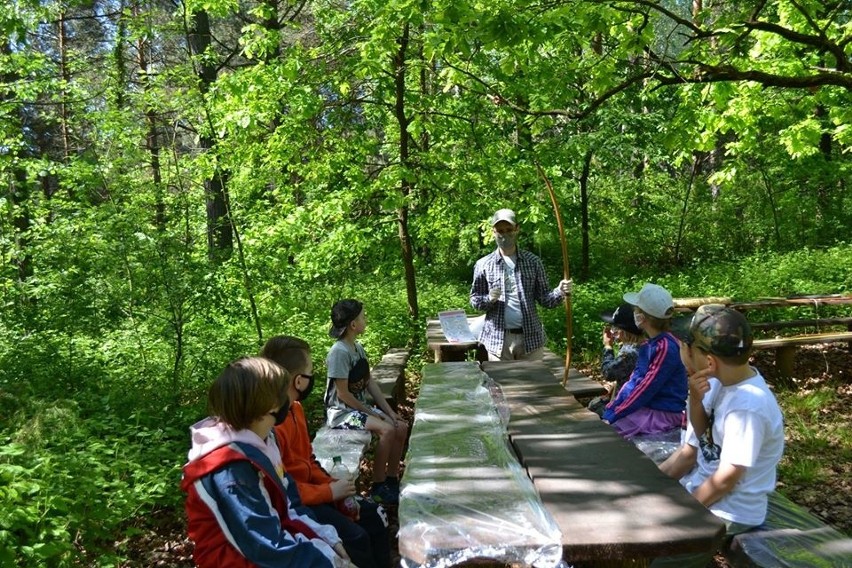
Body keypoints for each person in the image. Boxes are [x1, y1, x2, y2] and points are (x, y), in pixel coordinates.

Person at [181, 357, 353, 568]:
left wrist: (328, 539)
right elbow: (265, 547)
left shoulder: (264, 441)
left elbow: (290, 505)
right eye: (282, 394)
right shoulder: (230, 471)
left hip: (271, 545)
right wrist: (326, 561)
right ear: (264, 406)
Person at [653, 305, 785, 568]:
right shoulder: (716, 383)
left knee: (660, 559)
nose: (680, 349)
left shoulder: (748, 406)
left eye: (684, 345)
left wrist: (684, 512)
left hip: (730, 510)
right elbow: (705, 440)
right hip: (708, 498)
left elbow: (726, 479)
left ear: (709, 360)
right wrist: (695, 399)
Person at [262, 335, 391, 568]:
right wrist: (329, 493)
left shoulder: (296, 409)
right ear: (298, 381)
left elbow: (309, 460)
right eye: (311, 370)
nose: (314, 375)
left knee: (374, 514)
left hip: (316, 491)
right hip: (300, 505)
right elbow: (283, 491)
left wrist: (334, 487)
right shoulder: (272, 427)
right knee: (356, 537)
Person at [325, 299, 408, 505]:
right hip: (341, 413)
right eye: (363, 316)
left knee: (400, 426)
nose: (366, 319)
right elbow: (343, 395)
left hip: (358, 409)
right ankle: (378, 487)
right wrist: (373, 414)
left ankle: (391, 479)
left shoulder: (357, 348)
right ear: (353, 324)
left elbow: (369, 383)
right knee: (387, 430)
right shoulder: (339, 352)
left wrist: (389, 411)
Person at [469, 208, 572, 361]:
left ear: (517, 229)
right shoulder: (484, 264)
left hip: (531, 340)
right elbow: (475, 300)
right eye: (500, 230)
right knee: (501, 384)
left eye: (509, 229)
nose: (504, 234)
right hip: (498, 340)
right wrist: (489, 299)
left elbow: (545, 299)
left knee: (533, 384)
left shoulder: (533, 262)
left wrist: (560, 291)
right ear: (493, 232)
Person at [602, 283, 687, 438]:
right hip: (648, 408)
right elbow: (633, 382)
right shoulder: (648, 345)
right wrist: (612, 408)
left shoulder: (665, 347)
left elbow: (646, 387)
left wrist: (616, 414)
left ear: (643, 317)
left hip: (663, 412)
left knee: (612, 434)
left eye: (636, 310)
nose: (634, 313)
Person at [587, 302, 644, 417]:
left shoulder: (630, 352)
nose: (613, 332)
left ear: (624, 331)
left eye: (615, 328)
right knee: (596, 403)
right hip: (629, 402)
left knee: (594, 407)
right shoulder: (637, 346)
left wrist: (608, 347)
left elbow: (608, 372)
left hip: (626, 407)